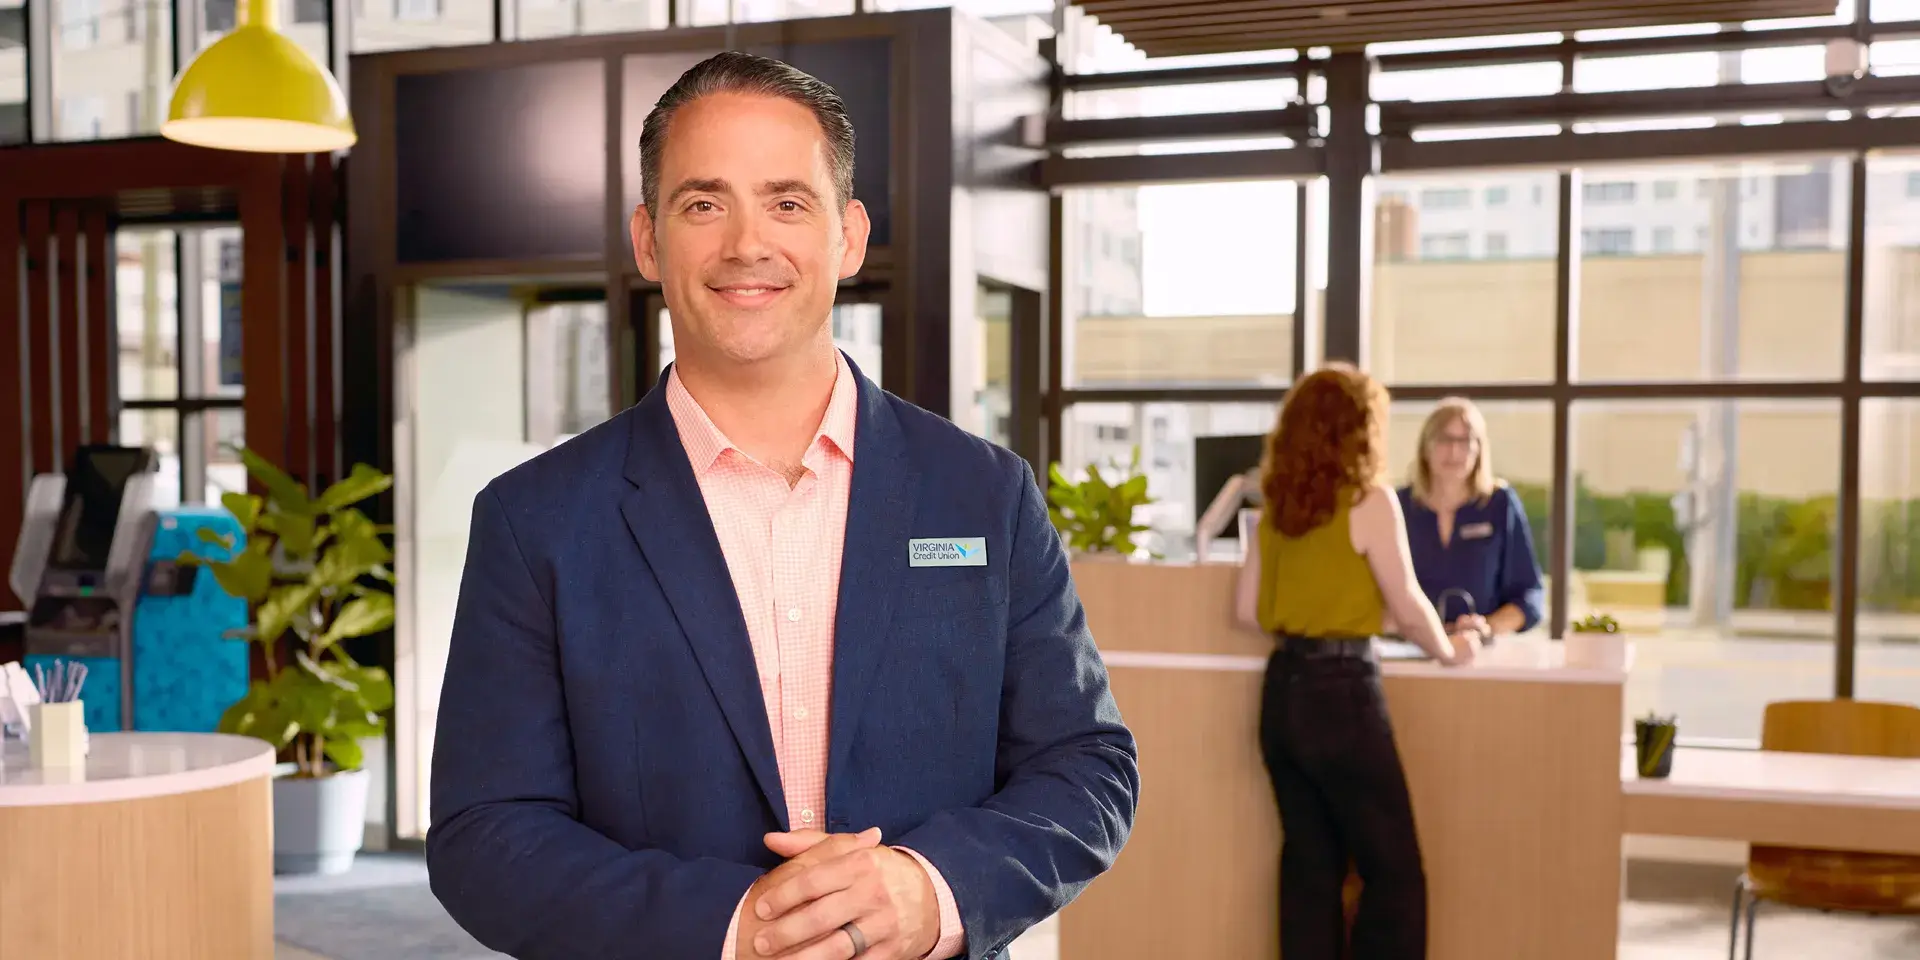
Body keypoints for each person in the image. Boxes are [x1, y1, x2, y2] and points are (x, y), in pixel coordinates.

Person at [426, 51, 1140, 960]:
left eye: (788, 202)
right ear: (649, 240)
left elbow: (1088, 767)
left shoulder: (985, 495)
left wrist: (933, 890)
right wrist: (732, 926)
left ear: (849, 237)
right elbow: (484, 832)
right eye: (703, 203)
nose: (746, 244)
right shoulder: (536, 523)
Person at [1233, 364, 1478, 960]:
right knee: (1393, 871)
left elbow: (1249, 611)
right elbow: (1411, 606)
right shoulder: (1369, 501)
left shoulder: (1278, 509)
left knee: (1310, 866)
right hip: (1342, 696)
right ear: (1358, 430)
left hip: (1282, 694)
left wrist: (1335, 603)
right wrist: (1451, 650)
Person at [1397, 397, 1546, 645]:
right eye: (1444, 439)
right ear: (1425, 446)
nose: (1454, 451)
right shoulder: (1399, 506)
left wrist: (1487, 626)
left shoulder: (1500, 504)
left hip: (1480, 652)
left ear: (1479, 449)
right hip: (1407, 649)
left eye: (1465, 441)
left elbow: (1530, 594)